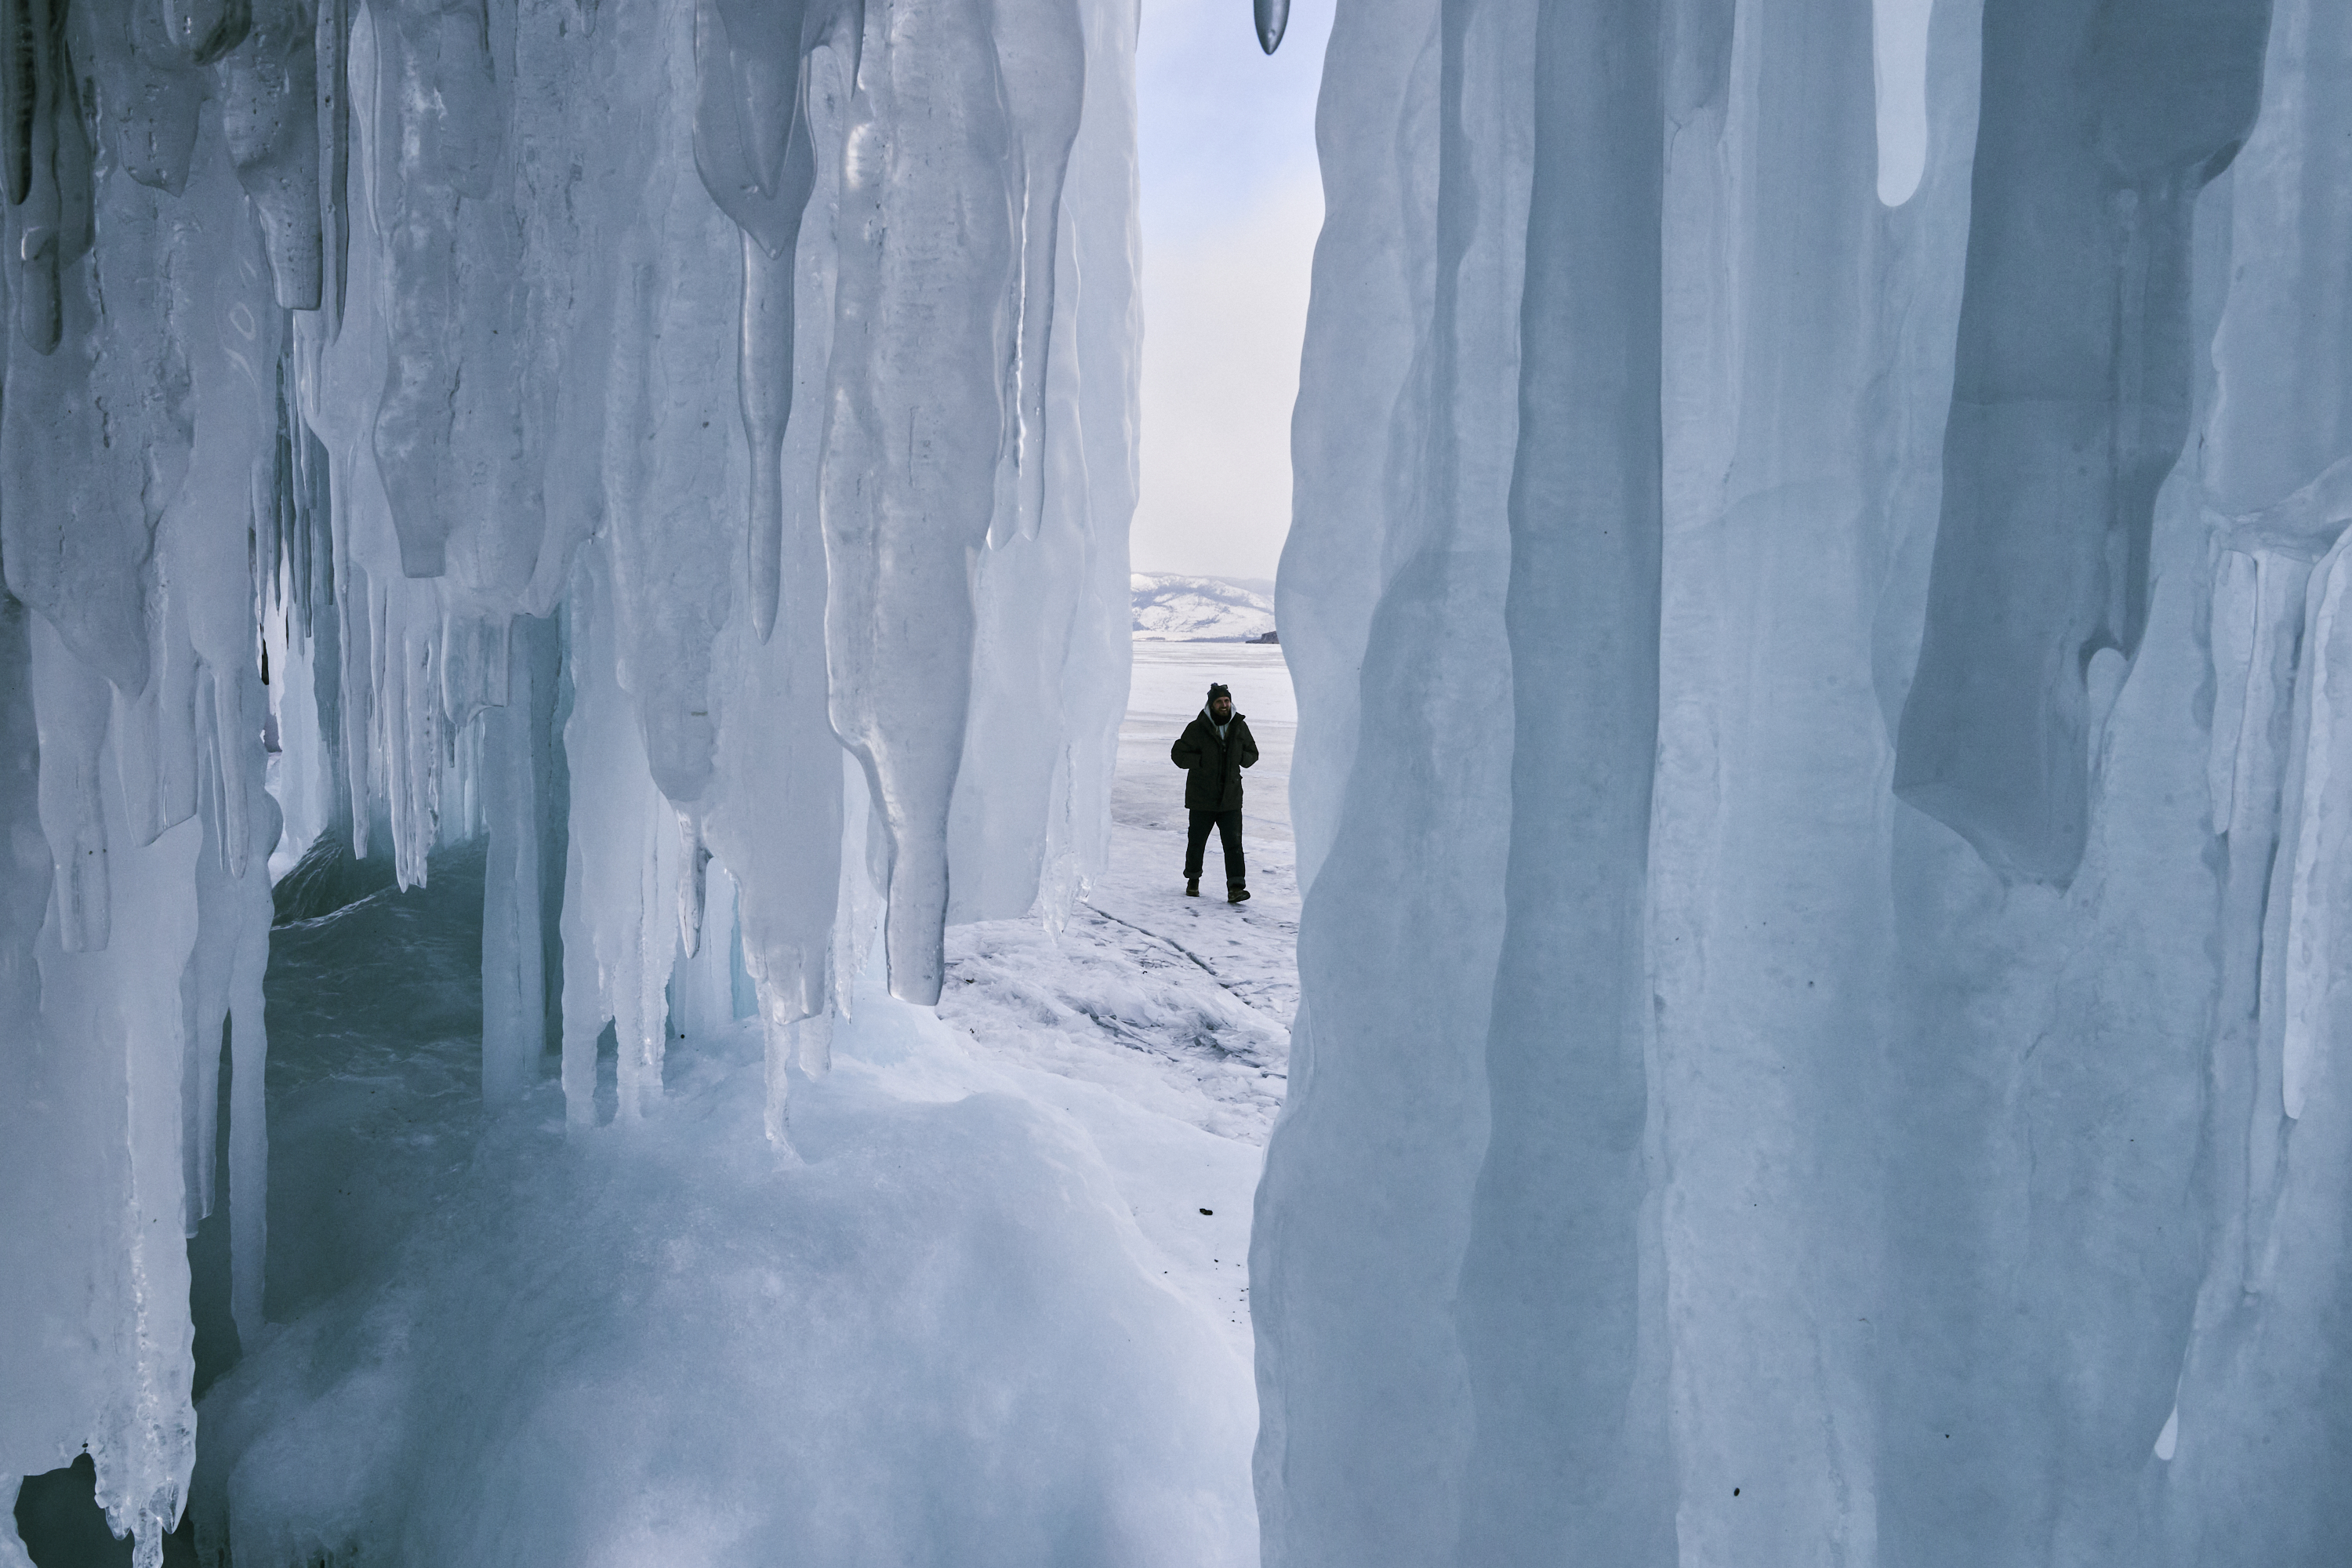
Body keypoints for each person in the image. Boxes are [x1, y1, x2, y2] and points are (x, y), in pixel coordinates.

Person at [1171, 681, 1258, 903]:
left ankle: (1236, 888)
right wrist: (1200, 761)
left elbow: (1253, 753)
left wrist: (1241, 758)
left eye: (1227, 701)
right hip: (1202, 798)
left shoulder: (1239, 726)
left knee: (1234, 845)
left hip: (1230, 798)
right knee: (1197, 843)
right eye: (1219, 701)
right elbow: (1178, 754)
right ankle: (1193, 880)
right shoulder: (1197, 727)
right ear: (1211, 704)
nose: (1224, 705)